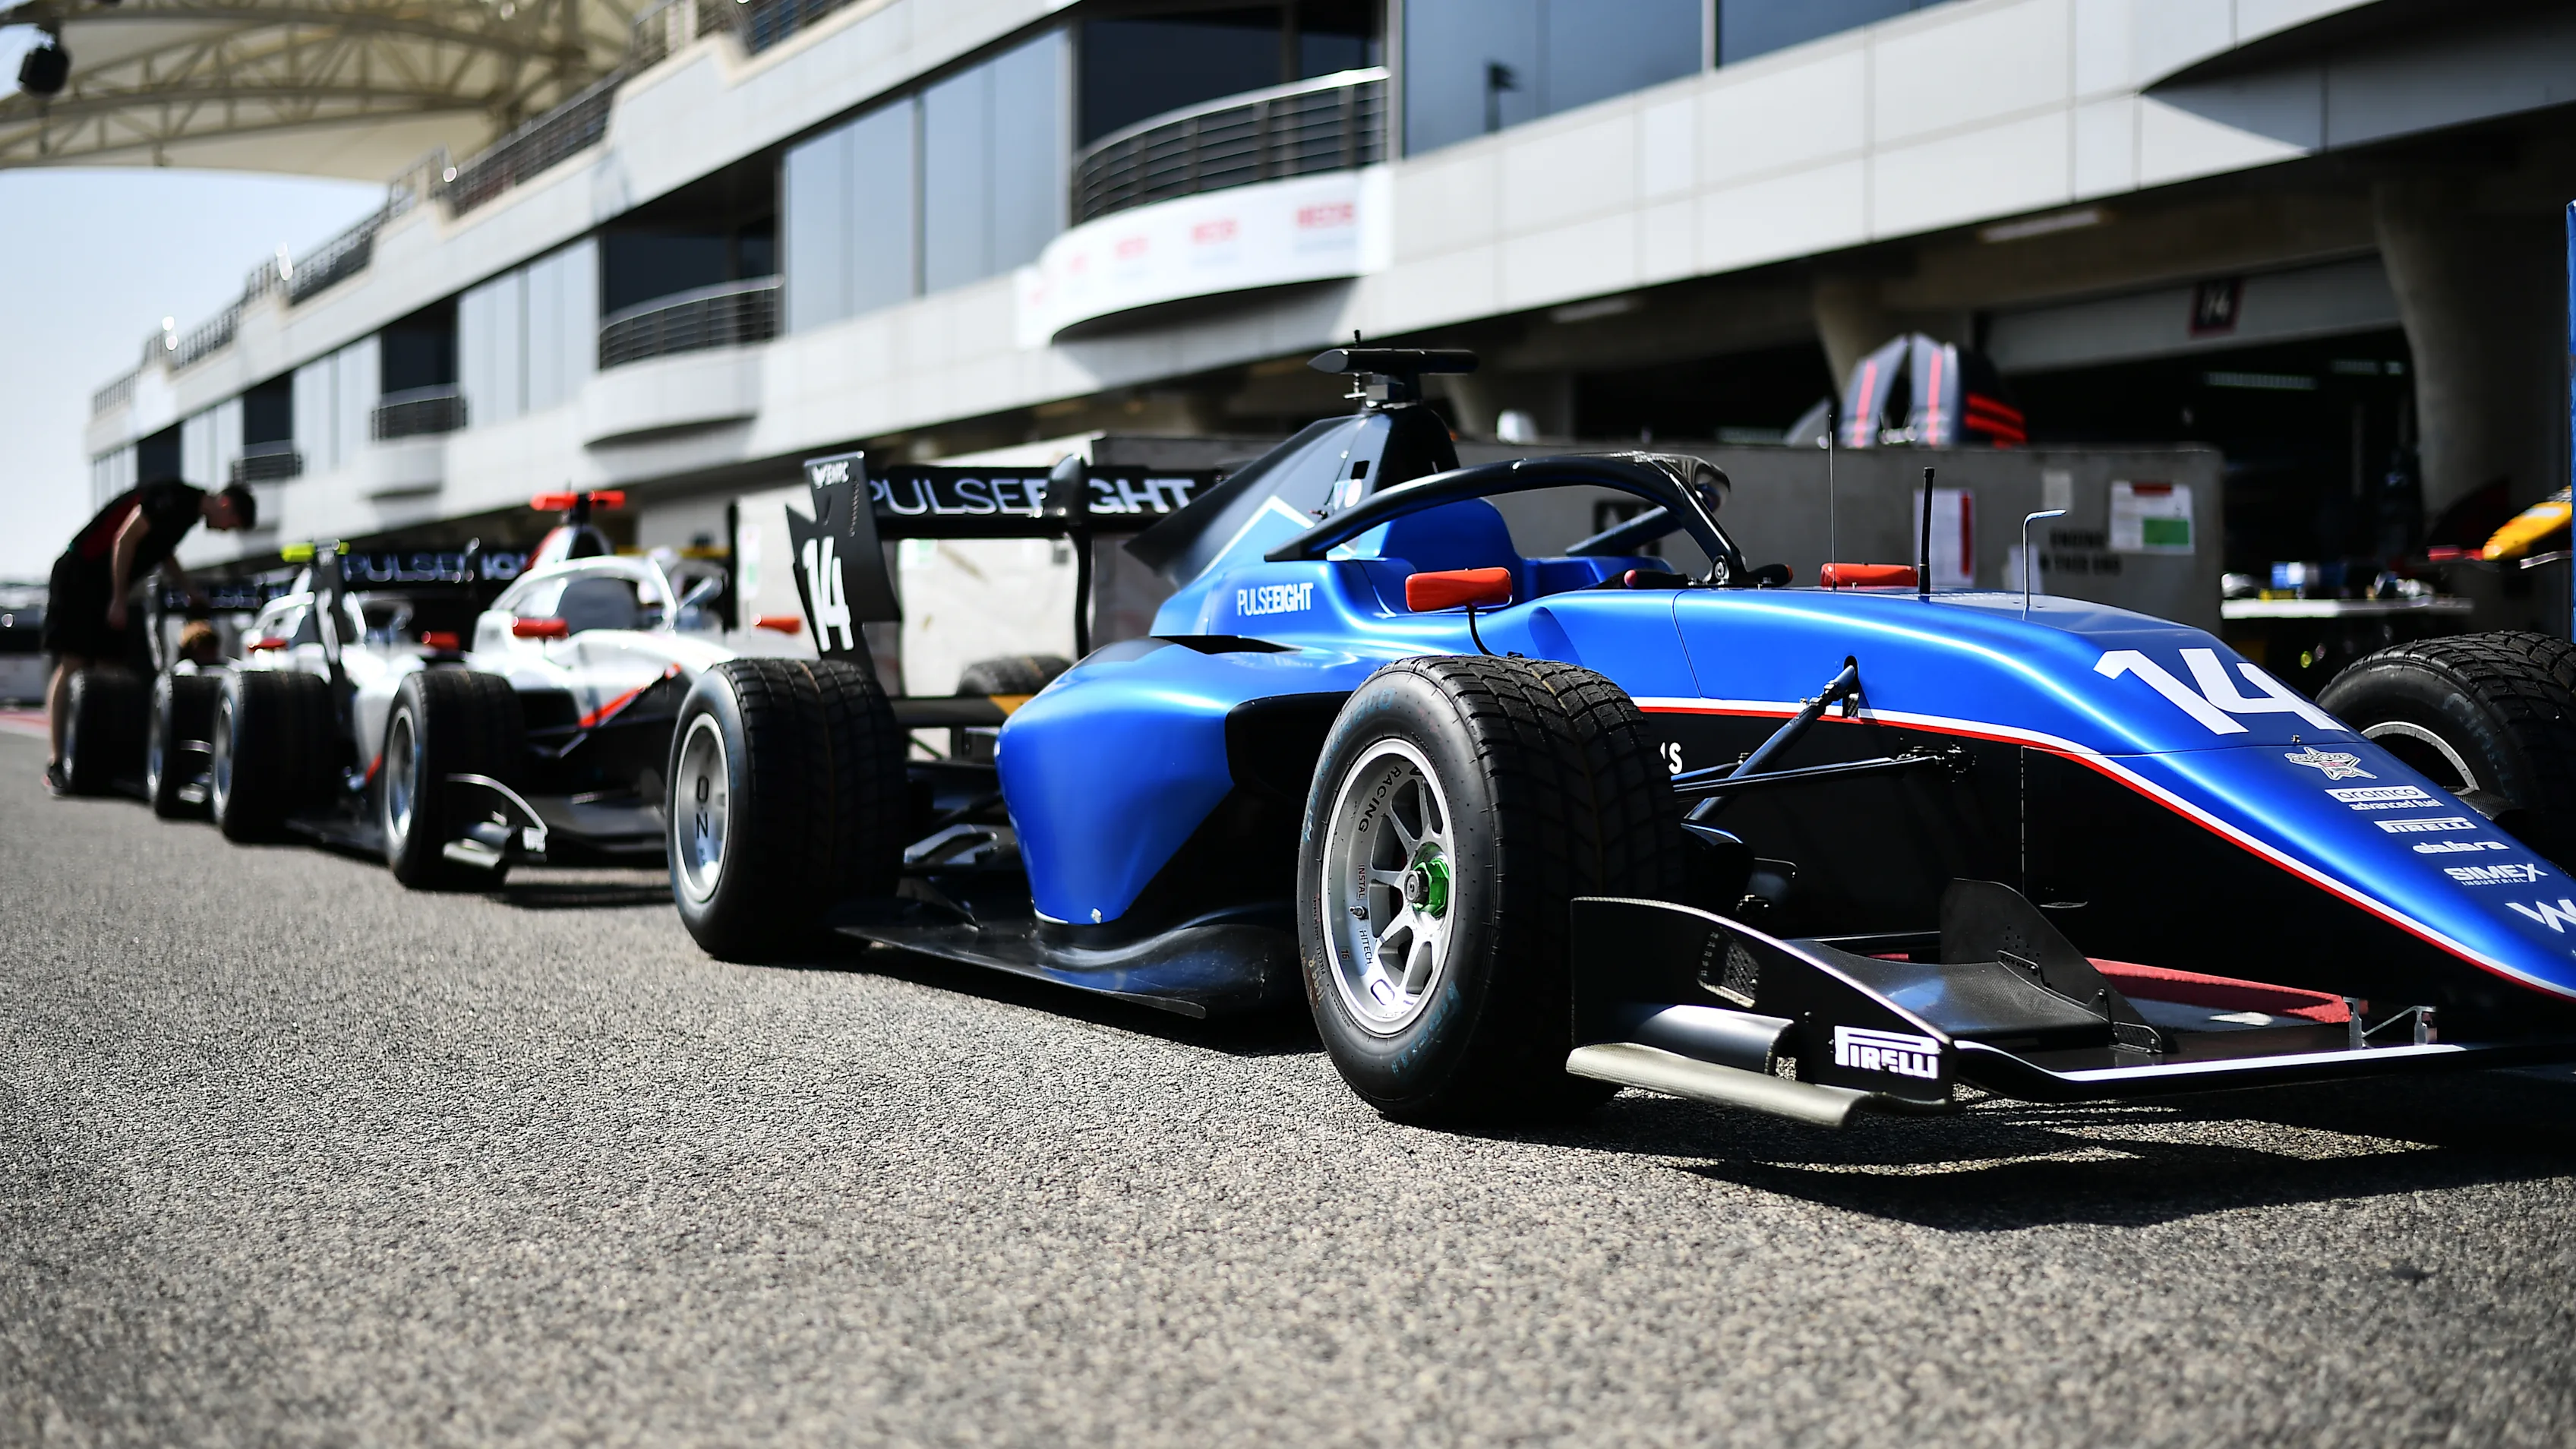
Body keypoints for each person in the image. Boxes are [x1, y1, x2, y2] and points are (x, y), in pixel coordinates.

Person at [43, 479, 256, 793]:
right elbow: (125, 539)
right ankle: (57, 762)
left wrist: (189, 590)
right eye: (231, 525)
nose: (225, 532)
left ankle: (98, 758)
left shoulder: (187, 515)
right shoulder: (174, 497)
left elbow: (162, 553)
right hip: (80, 575)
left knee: (110, 668)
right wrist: (119, 599)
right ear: (226, 505)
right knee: (73, 663)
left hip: (104, 586)